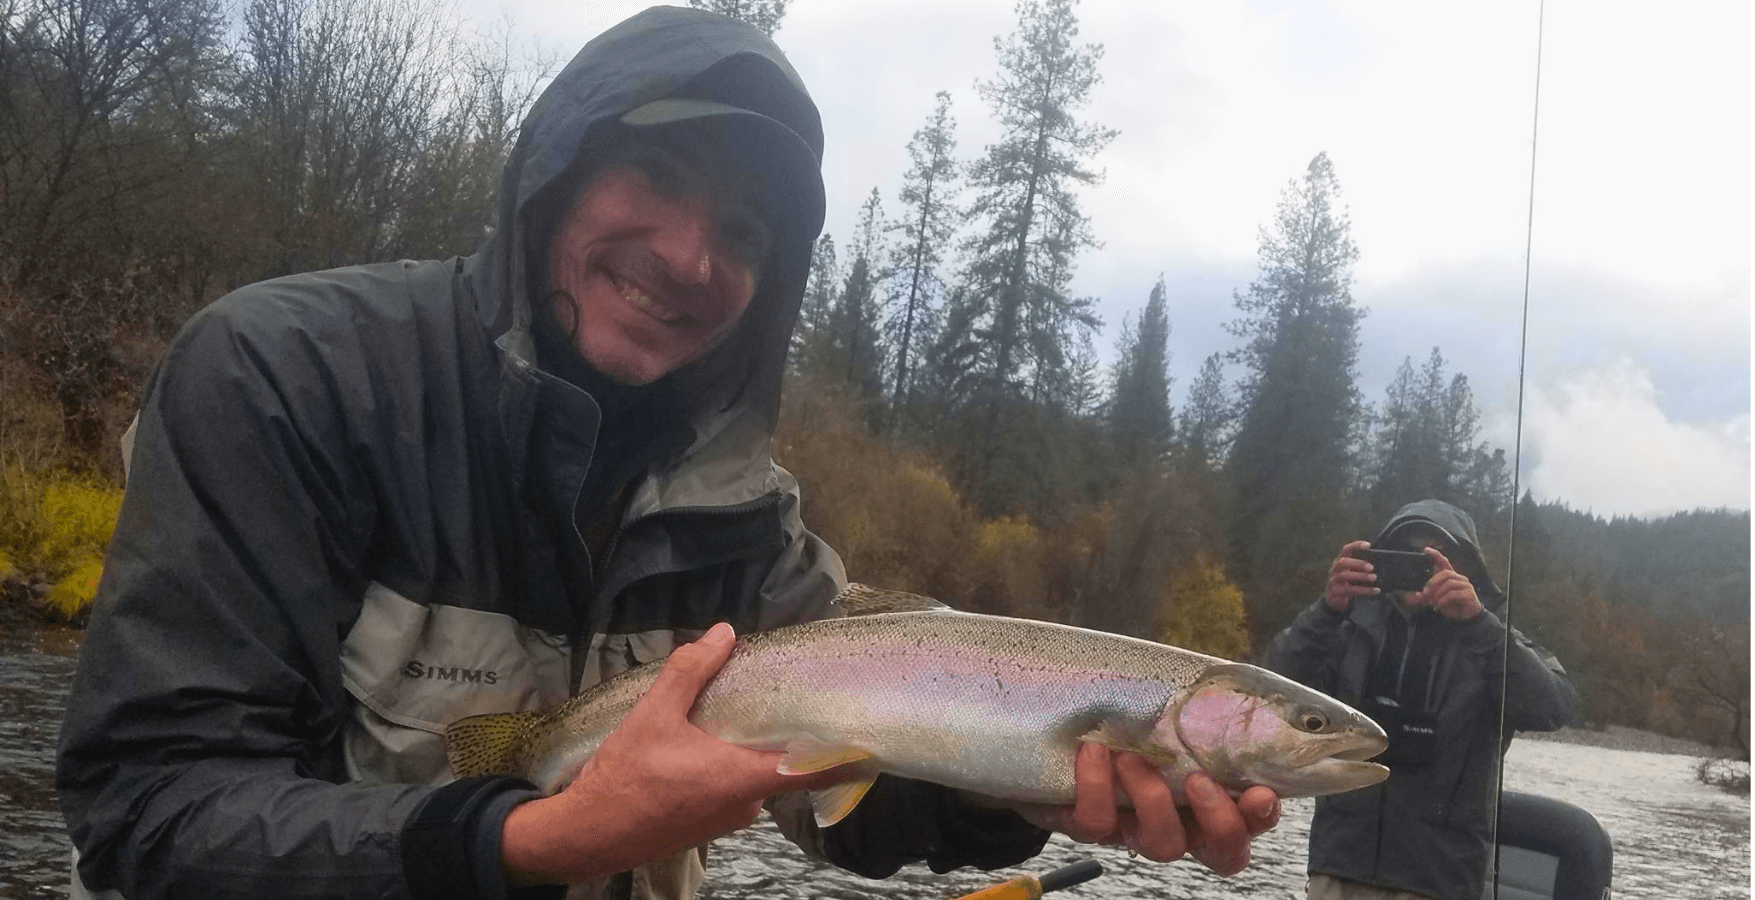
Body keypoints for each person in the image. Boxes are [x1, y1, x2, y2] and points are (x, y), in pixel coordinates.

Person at [56, 7, 1280, 899]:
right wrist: (530, 836)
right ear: (553, 174)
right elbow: (148, 814)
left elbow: (853, 819)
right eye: (656, 171)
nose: (693, 258)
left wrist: (1017, 790)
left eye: (743, 231)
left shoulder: (752, 527)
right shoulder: (288, 377)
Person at [1267, 499, 1579, 900]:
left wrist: (1479, 624)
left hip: (1440, 881)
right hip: (1339, 867)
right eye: (1409, 554)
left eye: (1438, 557)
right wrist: (1327, 610)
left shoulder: (1491, 642)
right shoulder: (1346, 629)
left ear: (1466, 567)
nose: (1422, 568)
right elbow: (1274, 685)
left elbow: (1555, 706)